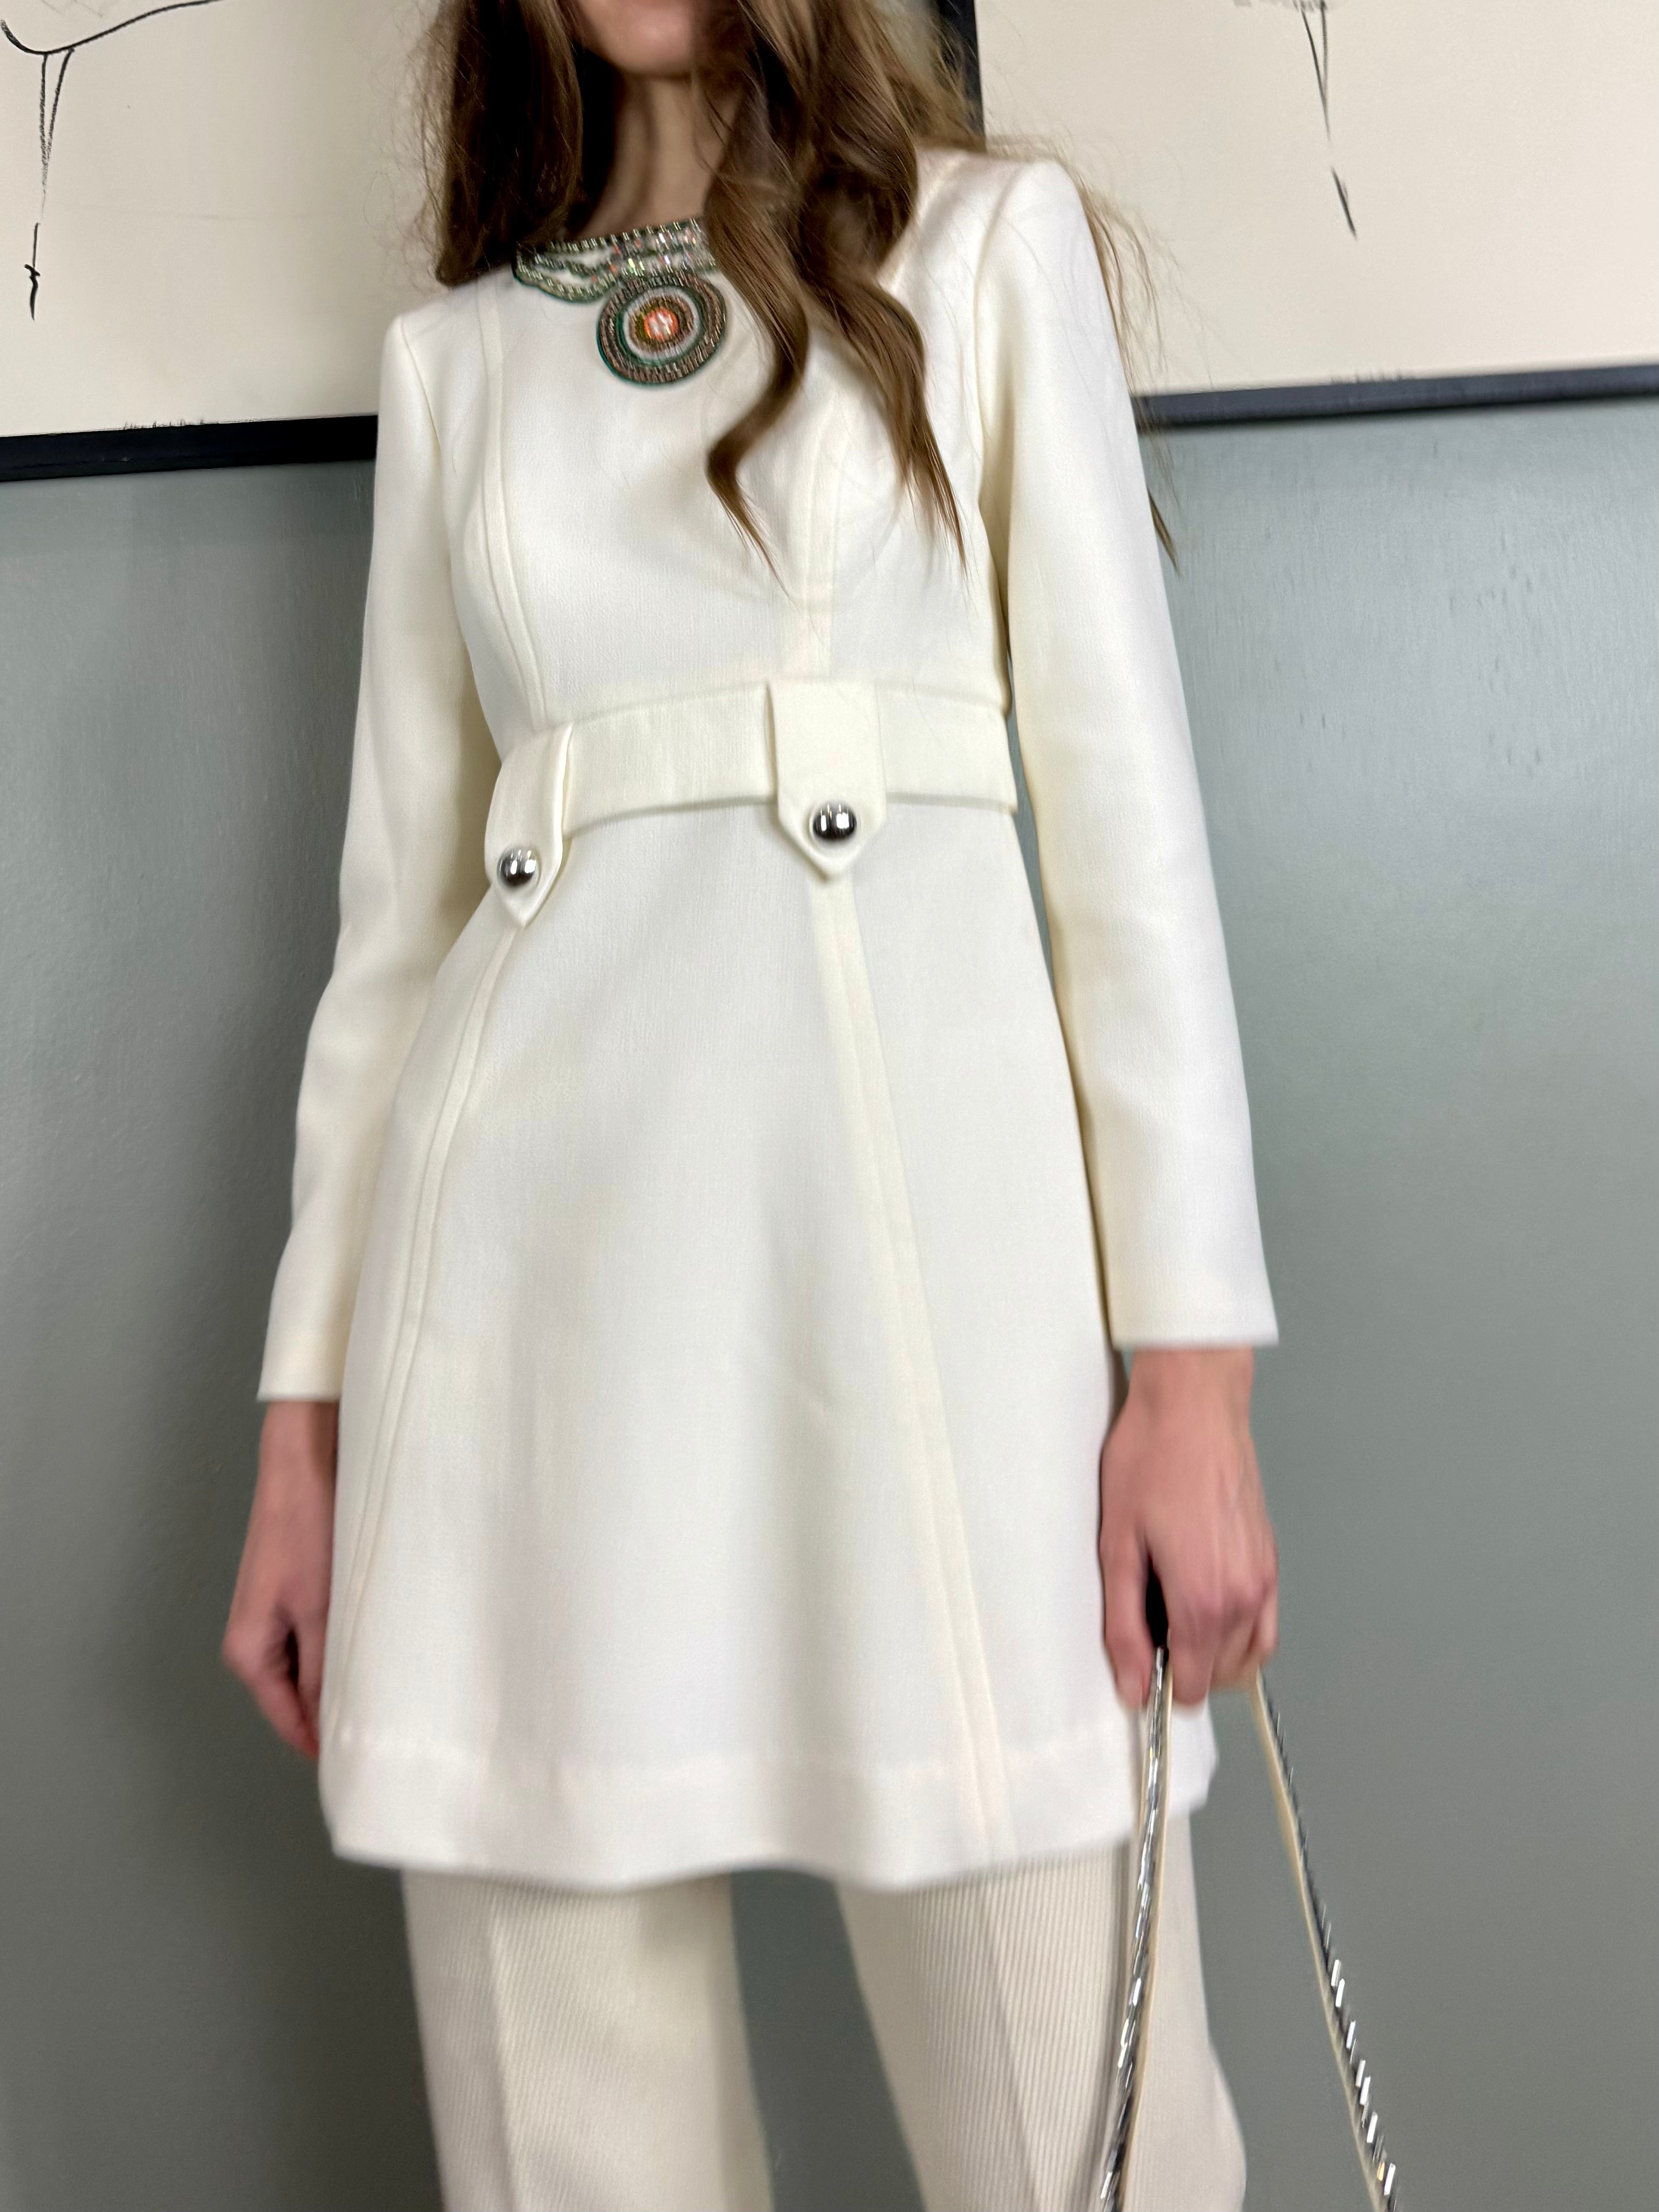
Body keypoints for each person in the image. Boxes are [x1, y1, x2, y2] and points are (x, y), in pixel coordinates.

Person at [223, 1, 1281, 2205]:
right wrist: (302, 1441)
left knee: (1095, 2157)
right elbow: (391, 949)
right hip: (510, 1324)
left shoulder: (986, 254)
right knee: (569, 2153)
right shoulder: (461, 365)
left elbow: (1130, 848)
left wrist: (1191, 1380)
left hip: (929, 1305)